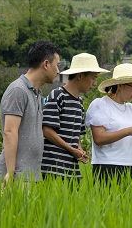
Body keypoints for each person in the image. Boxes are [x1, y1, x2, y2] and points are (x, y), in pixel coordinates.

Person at [0, 40, 61, 185]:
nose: (58, 71)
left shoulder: (36, 93)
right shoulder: (18, 90)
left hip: (31, 175)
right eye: (57, 65)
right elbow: (10, 131)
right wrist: (10, 171)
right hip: (17, 176)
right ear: (46, 64)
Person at [41, 53, 109, 181]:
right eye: (93, 78)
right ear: (80, 76)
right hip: (53, 167)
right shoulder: (57, 95)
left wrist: (79, 149)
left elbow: (75, 134)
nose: (95, 83)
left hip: (71, 168)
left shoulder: (79, 102)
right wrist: (71, 149)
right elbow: (47, 130)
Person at [85, 63, 132, 182]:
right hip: (107, 166)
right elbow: (99, 138)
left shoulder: (131, 108)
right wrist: (128, 131)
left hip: (131, 166)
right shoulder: (101, 104)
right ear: (120, 86)